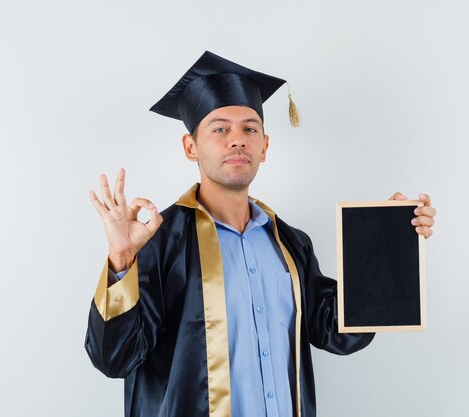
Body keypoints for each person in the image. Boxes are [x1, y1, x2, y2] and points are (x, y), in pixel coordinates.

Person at [84, 51, 437, 417]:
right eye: (219, 128)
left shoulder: (290, 242)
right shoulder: (159, 241)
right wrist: (121, 260)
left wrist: (386, 240)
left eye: (250, 128)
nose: (237, 140)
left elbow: (337, 332)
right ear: (191, 147)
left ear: (264, 147)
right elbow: (115, 359)